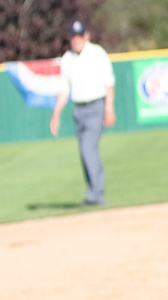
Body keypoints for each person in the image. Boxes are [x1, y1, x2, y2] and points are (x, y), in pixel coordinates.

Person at [49, 20, 115, 206]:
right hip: (79, 109)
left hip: (96, 106)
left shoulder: (97, 53)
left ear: (86, 36)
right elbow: (64, 90)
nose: (76, 39)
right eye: (73, 36)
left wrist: (109, 109)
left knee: (88, 148)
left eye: (79, 36)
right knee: (85, 151)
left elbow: (109, 84)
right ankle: (93, 194)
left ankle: (96, 195)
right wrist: (56, 114)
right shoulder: (67, 58)